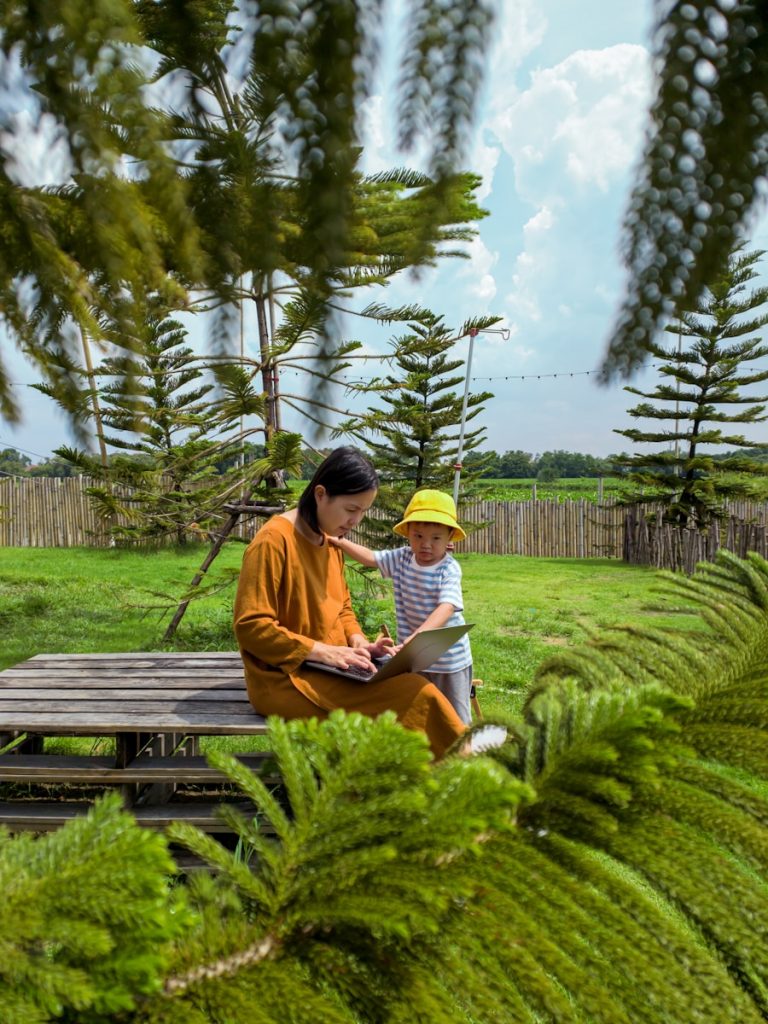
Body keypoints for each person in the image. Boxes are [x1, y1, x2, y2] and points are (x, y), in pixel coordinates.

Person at [233, 447, 467, 758]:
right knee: (415, 696)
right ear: (321, 494)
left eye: (363, 512)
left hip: (333, 668)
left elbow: (342, 608)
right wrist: (322, 651)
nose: (355, 521)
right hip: (284, 679)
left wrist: (358, 642)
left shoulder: (329, 540)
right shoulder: (273, 541)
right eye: (351, 509)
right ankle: (462, 774)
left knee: (410, 685)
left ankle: (450, 774)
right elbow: (251, 627)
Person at [330, 489, 474, 725]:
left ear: (450, 537)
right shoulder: (402, 558)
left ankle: (464, 747)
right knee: (416, 710)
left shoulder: (448, 569)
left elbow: (447, 606)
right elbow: (371, 558)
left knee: (455, 717)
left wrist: (419, 637)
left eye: (436, 538)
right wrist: (340, 542)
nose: (426, 544)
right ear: (407, 533)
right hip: (414, 658)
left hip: (449, 660)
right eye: (418, 536)